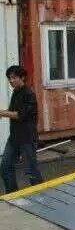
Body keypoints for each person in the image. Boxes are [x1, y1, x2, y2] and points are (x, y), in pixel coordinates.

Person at [0, 66, 43, 194]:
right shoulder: (16, 92)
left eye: (14, 78)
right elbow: (13, 112)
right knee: (5, 166)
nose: (11, 81)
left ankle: (42, 195)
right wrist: (4, 113)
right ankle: (13, 194)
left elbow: (21, 115)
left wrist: (2, 113)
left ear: (22, 77)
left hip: (27, 138)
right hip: (14, 138)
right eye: (9, 78)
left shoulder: (29, 94)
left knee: (31, 170)